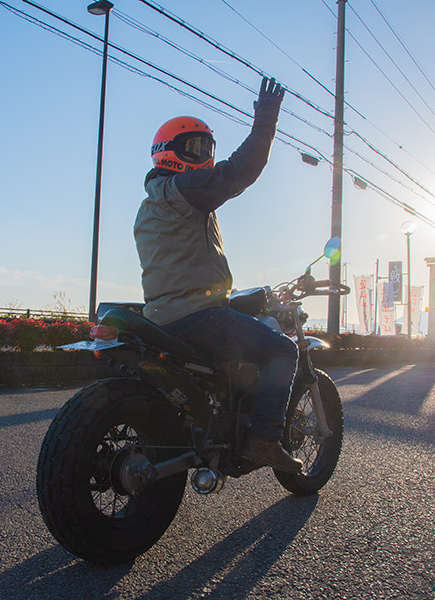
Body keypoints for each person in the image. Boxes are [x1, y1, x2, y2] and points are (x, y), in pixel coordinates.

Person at [133, 77, 303, 473]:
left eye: (207, 147)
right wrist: (266, 121)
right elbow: (240, 171)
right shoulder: (182, 189)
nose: (203, 155)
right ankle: (264, 439)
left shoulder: (156, 202)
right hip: (197, 315)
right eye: (193, 146)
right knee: (283, 350)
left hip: (161, 316)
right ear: (167, 152)